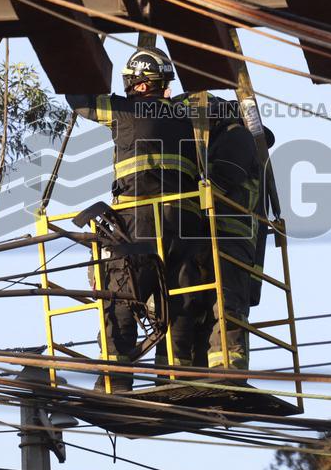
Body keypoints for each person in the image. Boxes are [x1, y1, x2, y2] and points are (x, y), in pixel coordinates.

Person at [66, 47, 202, 391]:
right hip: (184, 224)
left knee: (122, 295)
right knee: (180, 300)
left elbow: (80, 102)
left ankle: (116, 381)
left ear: (139, 84)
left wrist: (74, 52)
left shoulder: (125, 110)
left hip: (138, 220)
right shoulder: (187, 116)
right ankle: (173, 380)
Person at [177, 95, 272, 372]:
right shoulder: (220, 141)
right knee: (197, 306)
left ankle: (228, 366)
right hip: (211, 237)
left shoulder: (237, 136)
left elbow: (221, 180)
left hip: (230, 237)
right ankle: (197, 370)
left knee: (224, 302)